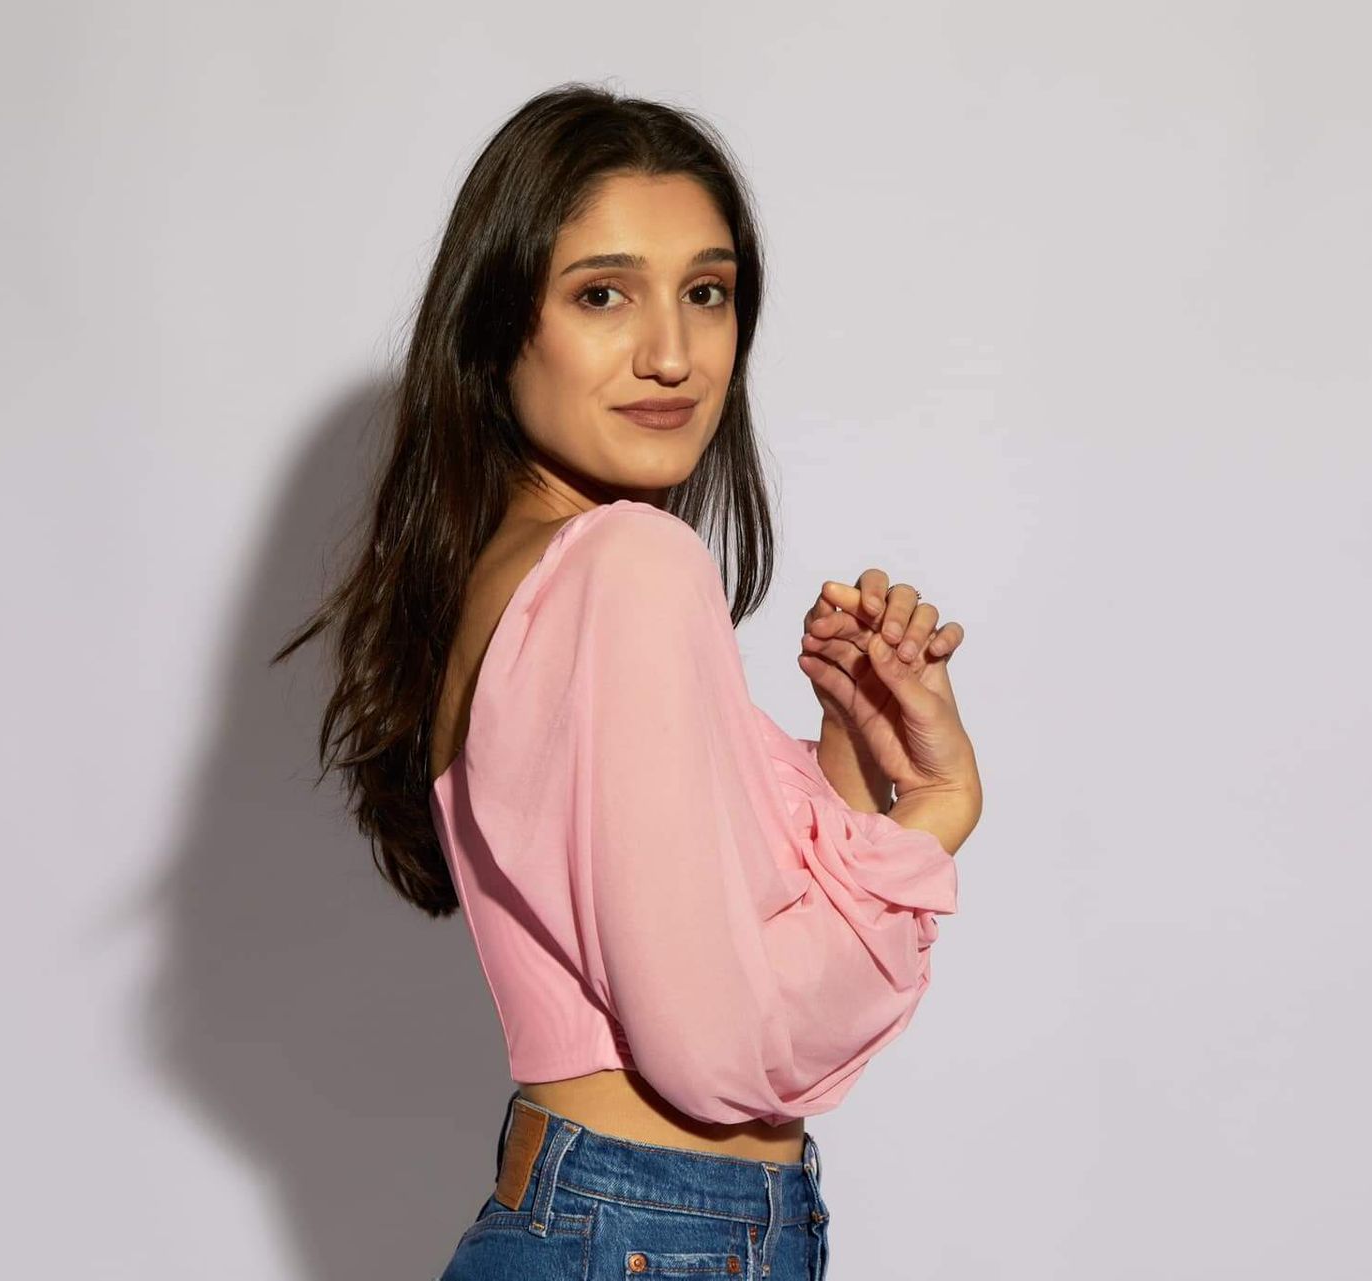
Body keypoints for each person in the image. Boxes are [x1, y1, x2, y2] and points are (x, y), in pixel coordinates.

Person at [273, 82, 982, 1280]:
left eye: (707, 293)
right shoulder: (628, 562)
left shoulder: (513, 574)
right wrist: (935, 823)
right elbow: (716, 1047)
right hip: (656, 1237)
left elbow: (693, 950)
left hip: (613, 1226)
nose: (672, 353)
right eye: (603, 294)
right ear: (501, 326)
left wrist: (854, 769)